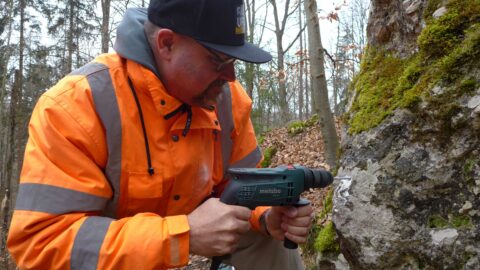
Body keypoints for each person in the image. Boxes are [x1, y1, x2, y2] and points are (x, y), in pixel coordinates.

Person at [7, 0, 314, 269]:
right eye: (218, 61)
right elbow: (41, 242)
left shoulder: (227, 100)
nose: (230, 78)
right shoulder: (77, 106)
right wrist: (181, 236)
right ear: (167, 44)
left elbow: (240, 188)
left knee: (263, 239)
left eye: (233, 63)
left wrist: (266, 217)